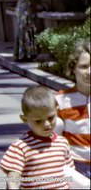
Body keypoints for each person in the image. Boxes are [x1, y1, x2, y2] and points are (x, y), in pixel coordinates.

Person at [0, 85, 83, 189]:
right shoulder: (21, 147)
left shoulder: (62, 143)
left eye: (50, 117)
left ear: (56, 111)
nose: (47, 124)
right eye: (38, 121)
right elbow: (12, 177)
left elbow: (70, 174)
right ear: (24, 119)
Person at [55, 41, 91, 181]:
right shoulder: (61, 100)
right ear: (73, 68)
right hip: (76, 167)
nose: (89, 72)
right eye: (84, 67)